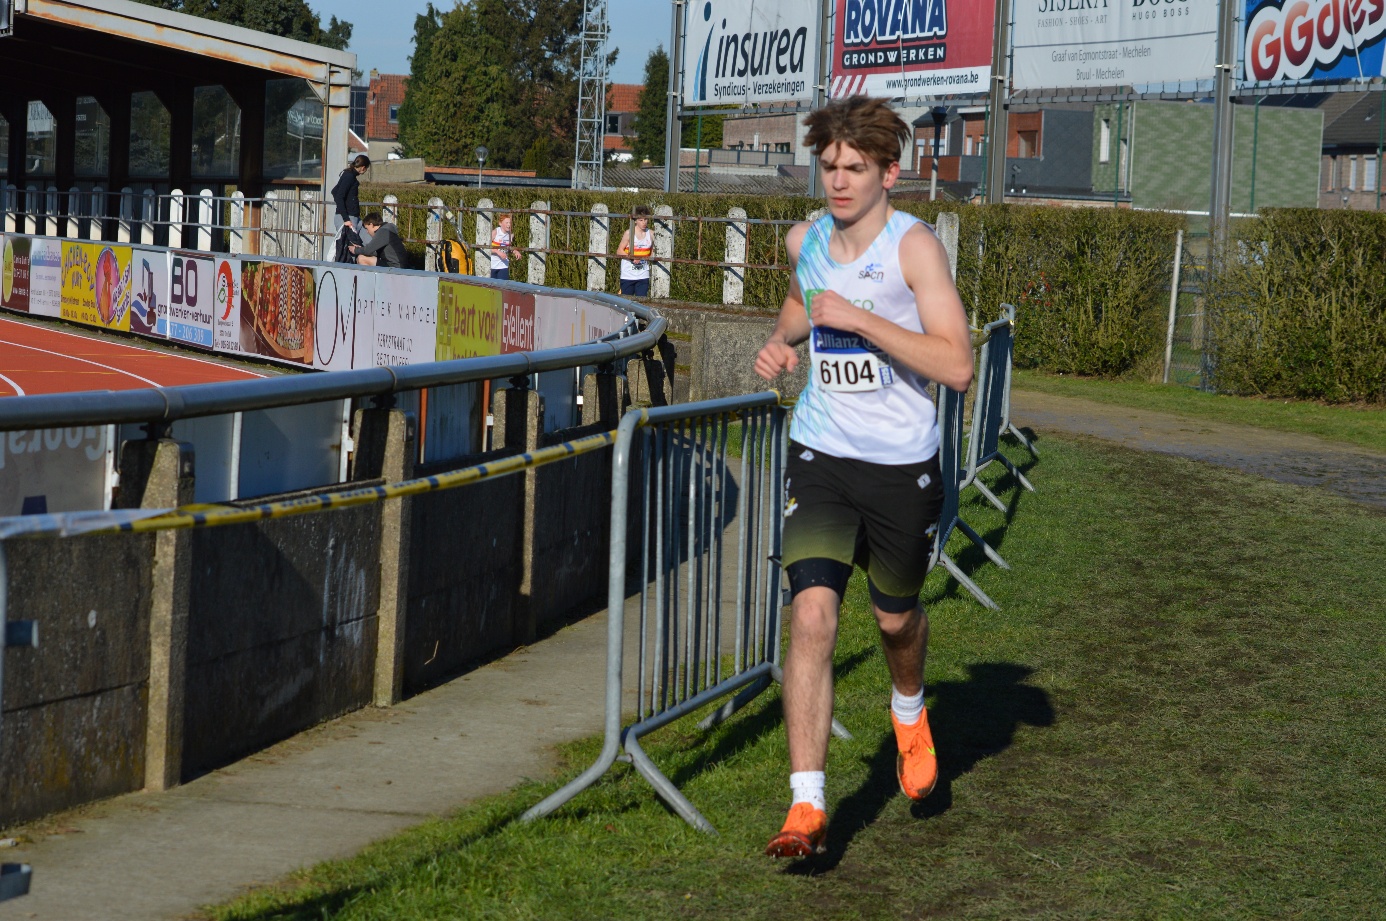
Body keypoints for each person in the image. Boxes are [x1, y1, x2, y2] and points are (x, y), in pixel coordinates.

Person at [753, 96, 974, 859]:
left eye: (854, 169)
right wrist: (782, 345)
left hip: (900, 467)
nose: (839, 182)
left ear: (889, 171)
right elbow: (798, 306)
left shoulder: (915, 250)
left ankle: (908, 706)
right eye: (828, 167)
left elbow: (959, 364)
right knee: (812, 616)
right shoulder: (805, 239)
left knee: (893, 620)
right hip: (821, 453)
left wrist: (864, 320)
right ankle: (806, 805)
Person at [617, 205, 654, 297]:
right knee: (626, 302)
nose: (644, 222)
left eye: (645, 219)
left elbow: (653, 251)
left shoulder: (651, 234)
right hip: (628, 275)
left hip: (643, 274)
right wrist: (632, 258)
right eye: (641, 220)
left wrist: (649, 258)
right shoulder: (629, 233)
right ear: (636, 221)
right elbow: (619, 251)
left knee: (641, 302)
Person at [331, 154, 371, 239]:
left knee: (366, 241)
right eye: (366, 168)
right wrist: (346, 219)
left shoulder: (348, 175)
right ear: (363, 167)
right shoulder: (349, 177)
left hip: (352, 216)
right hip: (349, 218)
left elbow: (334, 191)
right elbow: (339, 196)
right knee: (349, 246)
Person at [489, 213, 522, 280]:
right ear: (500, 223)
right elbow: (485, 247)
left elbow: (508, 247)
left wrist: (515, 251)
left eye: (510, 223)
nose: (509, 225)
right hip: (492, 266)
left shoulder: (509, 234)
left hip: (503, 266)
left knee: (502, 287)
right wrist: (498, 252)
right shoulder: (495, 232)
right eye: (506, 222)